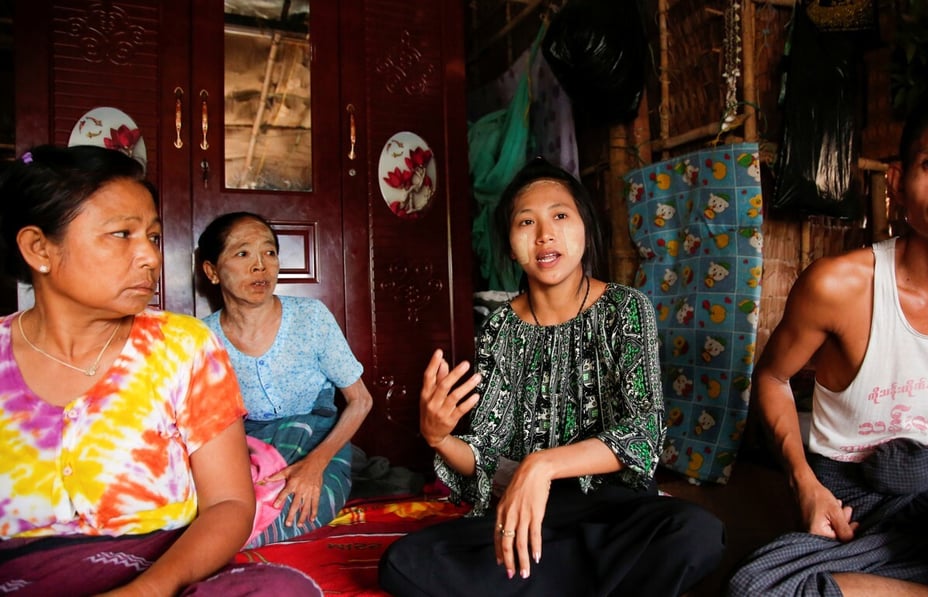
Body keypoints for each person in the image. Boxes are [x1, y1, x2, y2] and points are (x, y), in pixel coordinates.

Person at [378, 157, 725, 596]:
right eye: (526, 222)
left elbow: (644, 432)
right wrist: (439, 438)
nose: (545, 234)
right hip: (530, 521)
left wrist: (542, 465)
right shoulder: (501, 329)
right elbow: (488, 458)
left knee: (695, 534)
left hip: (615, 514)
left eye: (560, 215)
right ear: (509, 244)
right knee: (404, 564)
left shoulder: (626, 309)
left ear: (584, 228)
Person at [728, 90, 928, 596]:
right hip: (851, 501)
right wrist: (805, 484)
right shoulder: (839, 287)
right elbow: (772, 377)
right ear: (897, 182)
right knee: (759, 589)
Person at [0, 145, 319, 595]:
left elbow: (229, 502)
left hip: (162, 568)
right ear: (39, 248)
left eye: (151, 236)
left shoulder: (182, 346)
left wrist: (146, 591)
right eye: (120, 234)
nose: (150, 257)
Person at [197, 212, 373, 547]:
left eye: (269, 252)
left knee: (295, 510)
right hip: (242, 448)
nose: (260, 266)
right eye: (242, 253)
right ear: (212, 271)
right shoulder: (202, 338)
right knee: (209, 510)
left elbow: (361, 400)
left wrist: (314, 466)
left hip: (316, 441)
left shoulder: (311, 317)